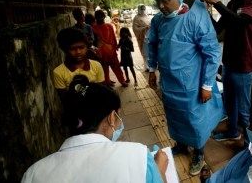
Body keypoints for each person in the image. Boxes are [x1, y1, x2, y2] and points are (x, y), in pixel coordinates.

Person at [21, 76, 169, 183]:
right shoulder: (138, 155)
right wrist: (160, 170)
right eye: (118, 116)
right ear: (112, 117)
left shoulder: (33, 174)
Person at [147, 0, 224, 176]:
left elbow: (213, 53)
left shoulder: (195, 18)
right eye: (158, 2)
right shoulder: (158, 21)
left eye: (166, 1)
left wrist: (207, 85)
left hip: (192, 84)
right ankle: (181, 145)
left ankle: (198, 152)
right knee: (174, 116)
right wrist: (151, 70)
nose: (162, 6)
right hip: (170, 83)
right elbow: (152, 45)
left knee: (194, 120)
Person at [196, 0, 252, 142]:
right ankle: (233, 132)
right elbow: (218, 29)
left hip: (243, 66)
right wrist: (206, 12)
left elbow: (241, 22)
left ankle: (250, 148)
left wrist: (216, 2)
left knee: (244, 109)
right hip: (229, 63)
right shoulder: (233, 3)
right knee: (230, 103)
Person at [53, 28, 104, 104]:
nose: (78, 52)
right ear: (64, 49)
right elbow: (65, 100)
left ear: (87, 47)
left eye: (81, 47)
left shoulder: (96, 66)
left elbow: (102, 92)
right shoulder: (58, 72)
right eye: (72, 49)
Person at [92, 10, 128, 87]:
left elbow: (113, 38)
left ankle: (122, 81)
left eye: (101, 16)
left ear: (104, 17)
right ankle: (107, 83)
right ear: (96, 18)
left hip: (111, 50)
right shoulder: (94, 28)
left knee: (117, 67)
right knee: (104, 69)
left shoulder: (109, 26)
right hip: (101, 52)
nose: (100, 18)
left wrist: (115, 47)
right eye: (98, 17)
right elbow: (94, 41)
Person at [132, 4, 152, 71]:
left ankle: (152, 65)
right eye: (142, 9)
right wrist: (144, 28)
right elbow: (135, 29)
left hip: (150, 37)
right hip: (142, 39)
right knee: (145, 53)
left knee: (151, 52)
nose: (143, 10)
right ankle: (147, 67)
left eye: (144, 9)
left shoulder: (148, 17)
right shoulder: (136, 18)